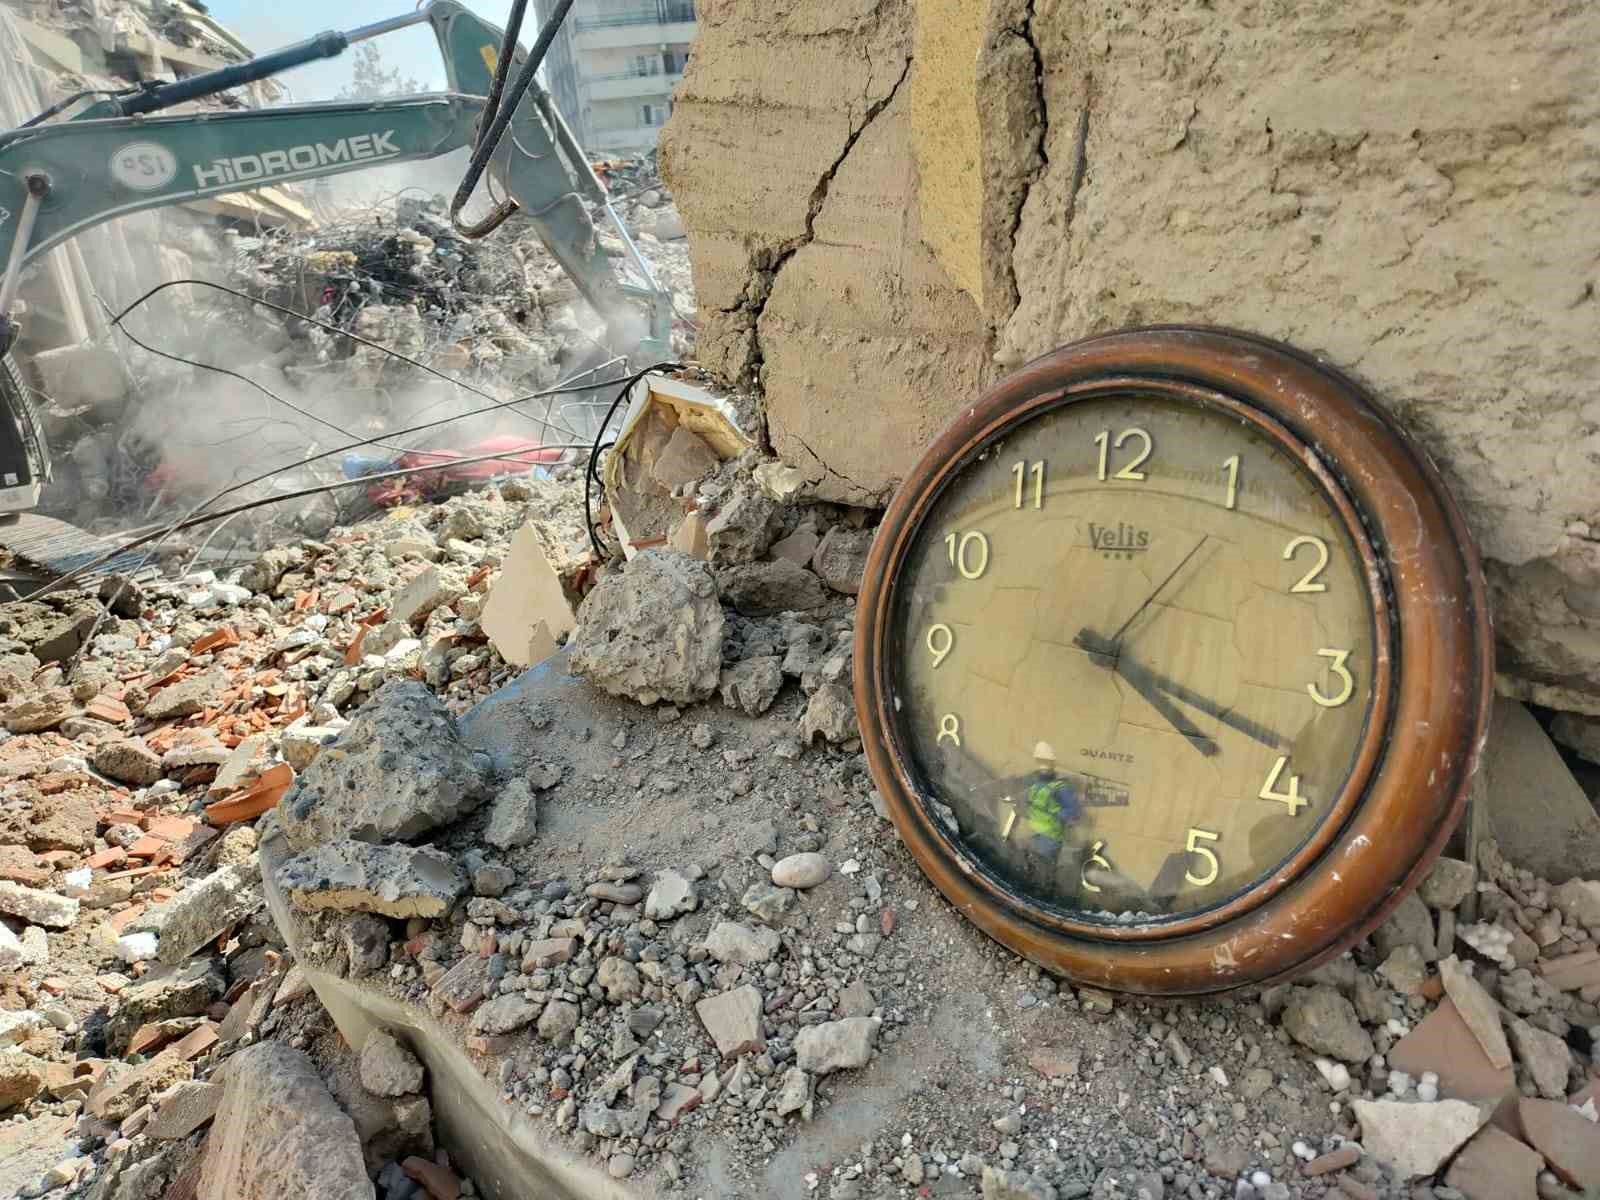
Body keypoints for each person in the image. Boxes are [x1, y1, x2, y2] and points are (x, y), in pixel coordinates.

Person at [1021, 741, 1080, 893]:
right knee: (1029, 870)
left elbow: (1074, 811)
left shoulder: (1061, 788)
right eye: (1040, 761)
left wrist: (1058, 813)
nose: (1043, 766)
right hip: (1034, 834)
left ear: (1053, 764)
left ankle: (1043, 893)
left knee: (1043, 874)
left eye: (1047, 762)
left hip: (1050, 838)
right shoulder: (1035, 785)